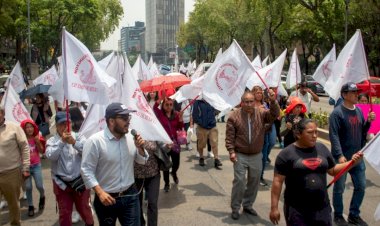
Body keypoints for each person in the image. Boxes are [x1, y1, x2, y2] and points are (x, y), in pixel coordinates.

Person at [270, 118, 364, 226]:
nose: (314, 135)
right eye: (310, 132)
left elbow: (333, 170)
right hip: (297, 211)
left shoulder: (322, 148)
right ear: (299, 134)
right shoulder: (286, 154)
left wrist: (352, 162)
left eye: (316, 132)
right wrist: (274, 208)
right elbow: (277, 181)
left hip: (322, 209)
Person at [81, 102, 149, 226]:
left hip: (130, 195)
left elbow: (141, 161)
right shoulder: (95, 141)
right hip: (107, 198)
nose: (128, 121)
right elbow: (86, 170)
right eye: (124, 118)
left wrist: (140, 149)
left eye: (128, 117)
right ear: (111, 121)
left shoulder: (130, 137)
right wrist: (100, 192)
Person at [225, 90, 280, 220]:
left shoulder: (261, 113)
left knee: (254, 181)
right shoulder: (234, 116)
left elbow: (275, 114)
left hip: (256, 154)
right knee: (239, 181)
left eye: (251, 101)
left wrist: (273, 101)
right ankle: (235, 207)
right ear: (242, 103)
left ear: (254, 102)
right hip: (240, 154)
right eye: (246, 102)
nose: (249, 104)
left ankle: (248, 205)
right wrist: (231, 151)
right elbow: (229, 137)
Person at [329, 82, 376, 226]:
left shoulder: (359, 111)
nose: (357, 94)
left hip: (358, 157)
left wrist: (368, 122)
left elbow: (362, 132)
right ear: (344, 95)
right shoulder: (337, 113)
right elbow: (334, 136)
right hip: (342, 159)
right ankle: (338, 215)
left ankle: (354, 214)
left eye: (357, 92)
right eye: (353, 92)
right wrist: (339, 155)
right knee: (339, 188)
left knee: (361, 186)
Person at [45, 111, 94, 226]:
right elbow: (51, 156)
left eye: (67, 123)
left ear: (71, 123)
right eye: (62, 124)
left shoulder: (79, 136)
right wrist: (62, 142)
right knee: (65, 213)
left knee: (84, 209)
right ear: (56, 126)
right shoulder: (52, 141)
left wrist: (74, 143)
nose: (65, 127)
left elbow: (88, 153)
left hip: (80, 182)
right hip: (61, 184)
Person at [0, 105, 30, 226]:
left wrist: (26, 167)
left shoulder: (14, 128)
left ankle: (15, 224)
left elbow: (25, 147)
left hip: (11, 173)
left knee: (13, 204)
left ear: (2, 114)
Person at [135, 141, 170, 226]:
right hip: (135, 176)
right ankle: (141, 223)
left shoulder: (152, 131)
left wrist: (168, 146)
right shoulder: (129, 134)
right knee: (136, 204)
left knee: (153, 203)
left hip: (153, 174)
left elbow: (163, 148)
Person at [153, 95, 183, 192]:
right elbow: (154, 107)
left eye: (171, 104)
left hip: (175, 143)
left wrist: (181, 118)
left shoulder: (176, 114)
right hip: (164, 144)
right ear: (163, 105)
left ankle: (174, 173)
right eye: (167, 105)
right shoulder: (160, 114)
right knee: (166, 164)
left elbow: (180, 127)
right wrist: (160, 99)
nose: (169, 106)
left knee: (176, 163)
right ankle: (166, 183)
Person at [20, 119, 46, 217]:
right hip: (25, 166)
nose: (29, 129)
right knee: (28, 187)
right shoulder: (21, 139)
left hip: (36, 165)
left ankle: (42, 196)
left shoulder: (37, 137)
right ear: (24, 129)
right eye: (27, 127)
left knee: (39, 185)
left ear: (34, 127)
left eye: (31, 127)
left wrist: (37, 142)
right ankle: (30, 206)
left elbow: (42, 151)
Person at [192, 99, 222, 169]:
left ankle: (216, 159)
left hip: (212, 126)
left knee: (214, 142)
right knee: (201, 144)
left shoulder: (212, 100)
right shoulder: (197, 102)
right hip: (202, 127)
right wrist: (200, 122)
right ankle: (201, 157)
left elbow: (217, 111)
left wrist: (216, 111)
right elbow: (194, 115)